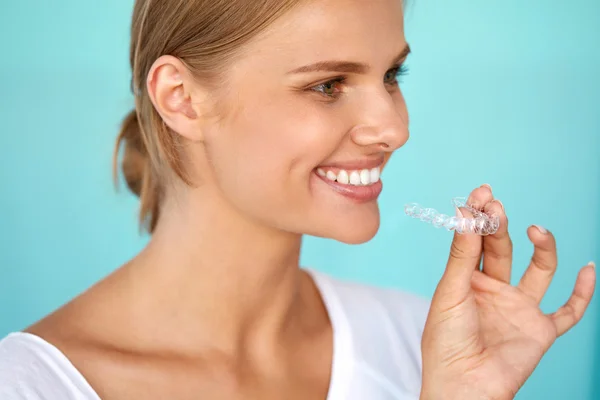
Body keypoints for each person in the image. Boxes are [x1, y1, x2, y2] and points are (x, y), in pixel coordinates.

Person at [0, 0, 595, 399]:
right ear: (181, 98)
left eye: (393, 76)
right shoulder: (30, 386)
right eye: (327, 85)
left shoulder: (421, 342)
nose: (393, 128)